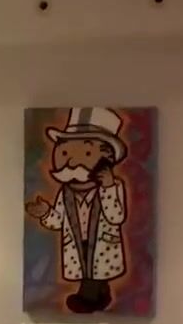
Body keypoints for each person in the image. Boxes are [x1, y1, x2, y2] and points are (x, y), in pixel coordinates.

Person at [26, 107, 128, 313]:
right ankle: (94, 294)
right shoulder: (66, 192)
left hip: (101, 245)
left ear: (107, 158)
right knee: (85, 272)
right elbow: (59, 220)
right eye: (64, 153)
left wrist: (108, 187)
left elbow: (116, 216)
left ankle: (92, 296)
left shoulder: (111, 187)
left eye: (87, 153)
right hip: (78, 244)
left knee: (96, 273)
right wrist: (45, 212)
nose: (71, 161)